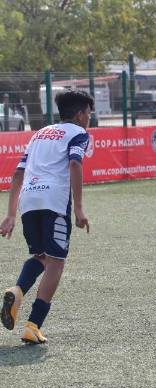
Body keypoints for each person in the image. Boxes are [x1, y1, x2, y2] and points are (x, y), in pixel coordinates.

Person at [1, 90, 92, 344]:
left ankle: (17, 291)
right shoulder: (79, 134)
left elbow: (18, 174)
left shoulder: (39, 134)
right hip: (55, 200)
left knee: (40, 256)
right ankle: (33, 325)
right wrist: (79, 208)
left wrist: (10, 214)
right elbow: (75, 164)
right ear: (79, 114)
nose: (89, 119)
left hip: (29, 199)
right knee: (56, 262)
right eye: (88, 113)